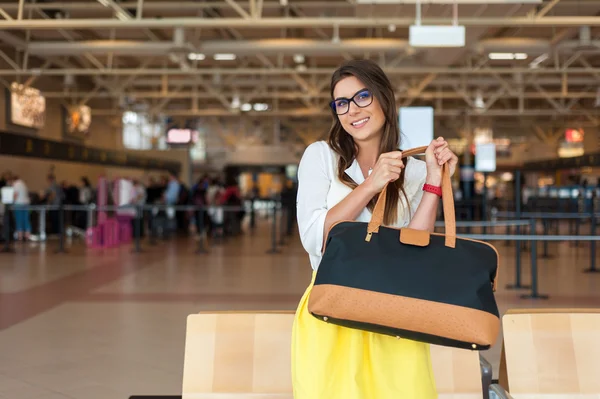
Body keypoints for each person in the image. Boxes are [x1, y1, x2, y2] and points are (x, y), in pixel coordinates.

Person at [293, 59, 458, 399]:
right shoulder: (321, 156)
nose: (353, 110)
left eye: (363, 96)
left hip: (395, 309)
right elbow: (315, 240)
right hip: (331, 308)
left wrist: (433, 181)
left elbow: (416, 246)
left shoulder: (411, 169)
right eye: (342, 103)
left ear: (384, 97)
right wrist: (371, 185)